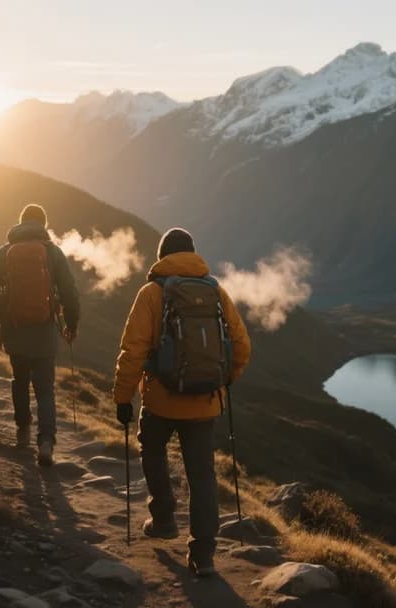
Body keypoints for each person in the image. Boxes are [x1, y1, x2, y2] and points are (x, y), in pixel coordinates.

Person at [113, 227, 251, 577]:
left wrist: (122, 397)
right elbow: (241, 344)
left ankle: (163, 518)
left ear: (162, 256)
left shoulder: (151, 293)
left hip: (160, 400)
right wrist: (223, 379)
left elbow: (133, 351)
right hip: (205, 401)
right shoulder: (216, 292)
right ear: (193, 253)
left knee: (152, 449)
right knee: (202, 475)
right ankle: (203, 555)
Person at [0, 204, 80, 465]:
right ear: (43, 224)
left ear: (21, 223)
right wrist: (71, 324)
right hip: (44, 333)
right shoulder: (53, 253)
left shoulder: (4, 253)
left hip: (15, 331)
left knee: (19, 379)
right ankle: (46, 442)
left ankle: (22, 428)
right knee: (45, 389)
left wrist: (1, 311)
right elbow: (70, 292)